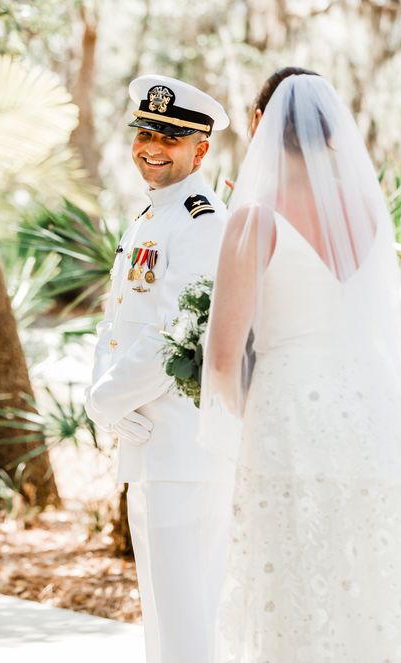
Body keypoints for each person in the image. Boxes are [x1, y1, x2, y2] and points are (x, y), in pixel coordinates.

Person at [200, 67, 401, 662]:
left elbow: (224, 357)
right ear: (334, 134)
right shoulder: (369, 213)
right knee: (368, 578)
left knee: (299, 581)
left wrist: (238, 422)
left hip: (290, 417)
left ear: (259, 123)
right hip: (374, 413)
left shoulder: (253, 218)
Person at [85, 74, 235, 663]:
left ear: (200, 150)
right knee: (165, 607)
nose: (151, 145)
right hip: (151, 441)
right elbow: (117, 321)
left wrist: (104, 401)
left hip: (185, 446)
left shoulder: (202, 221)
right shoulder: (149, 216)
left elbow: (179, 332)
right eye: (145, 131)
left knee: (188, 607)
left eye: (169, 137)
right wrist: (107, 395)